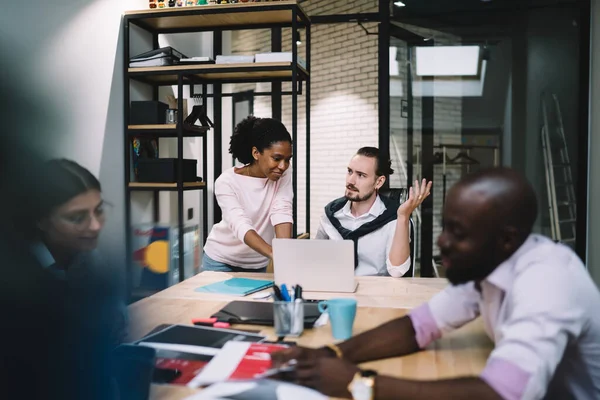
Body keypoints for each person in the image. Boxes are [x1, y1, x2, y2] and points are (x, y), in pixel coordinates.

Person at [272, 167, 600, 400]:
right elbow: (418, 326)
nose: (442, 242)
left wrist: (360, 385)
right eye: (445, 227)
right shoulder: (491, 263)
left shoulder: (547, 283)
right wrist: (331, 353)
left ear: (506, 239)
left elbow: (500, 393)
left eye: (458, 232)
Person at [315, 147, 432, 277]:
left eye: (361, 175)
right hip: (336, 291)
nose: (351, 181)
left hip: (377, 294)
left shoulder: (393, 218)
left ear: (379, 182)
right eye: (350, 171)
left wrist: (403, 217)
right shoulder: (331, 214)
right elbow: (316, 259)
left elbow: (397, 271)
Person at [202, 116, 294, 273]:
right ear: (256, 153)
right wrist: (275, 254)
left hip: (256, 264)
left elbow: (282, 210)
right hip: (220, 260)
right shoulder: (226, 181)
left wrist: (284, 254)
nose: (283, 166)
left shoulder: (283, 174)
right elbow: (240, 223)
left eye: (287, 160)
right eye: (277, 158)